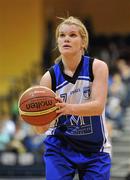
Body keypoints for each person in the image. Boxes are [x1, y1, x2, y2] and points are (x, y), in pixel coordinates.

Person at [34, 16, 112, 180]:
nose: (66, 39)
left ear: (83, 42)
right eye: (62, 35)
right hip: (60, 147)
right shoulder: (48, 78)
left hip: (94, 148)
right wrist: (36, 119)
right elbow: (41, 129)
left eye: (72, 35)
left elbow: (98, 107)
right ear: (58, 42)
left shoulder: (97, 67)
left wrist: (66, 108)